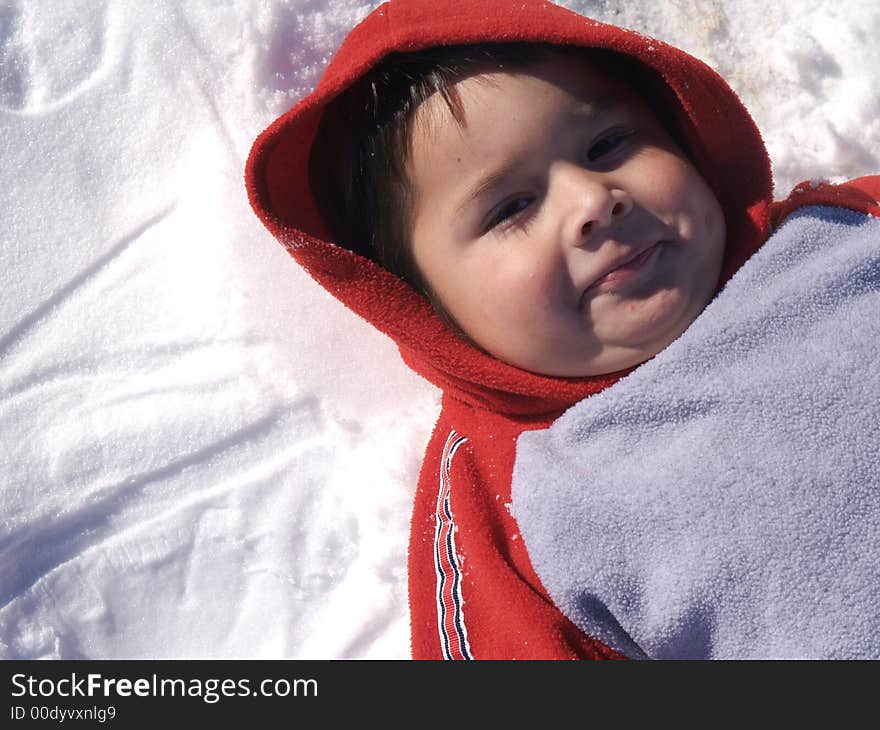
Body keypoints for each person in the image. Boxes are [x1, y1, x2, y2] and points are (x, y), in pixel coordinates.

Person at [246, 0, 880, 659]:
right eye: (512, 206)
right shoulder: (515, 493)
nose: (593, 201)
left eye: (608, 145)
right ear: (425, 303)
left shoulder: (842, 230)